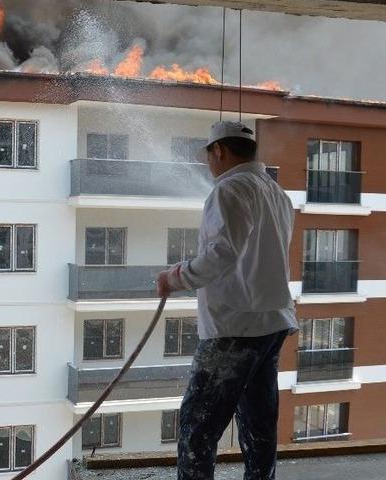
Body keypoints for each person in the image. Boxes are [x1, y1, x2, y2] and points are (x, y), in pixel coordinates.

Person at [156, 121, 297, 480]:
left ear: (218, 150)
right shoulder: (276, 193)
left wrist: (176, 277)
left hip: (235, 327)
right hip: (272, 324)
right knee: (258, 424)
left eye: (209, 156)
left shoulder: (230, 189)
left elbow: (222, 253)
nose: (209, 164)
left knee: (197, 428)